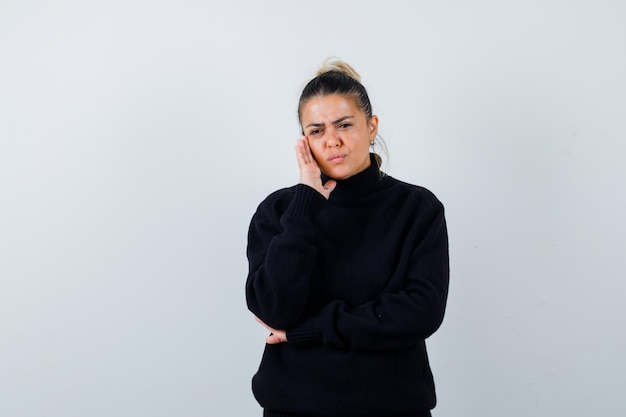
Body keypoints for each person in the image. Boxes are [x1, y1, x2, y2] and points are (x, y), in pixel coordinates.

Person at [245, 58, 449, 417]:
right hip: (293, 408)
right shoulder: (279, 212)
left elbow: (421, 313)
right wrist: (305, 206)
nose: (333, 141)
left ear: (371, 127)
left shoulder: (417, 208)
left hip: (393, 408)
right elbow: (274, 308)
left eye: (344, 125)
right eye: (317, 130)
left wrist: (309, 330)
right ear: (304, 141)